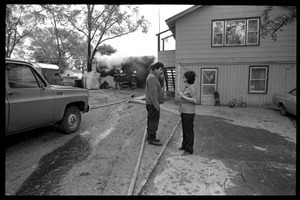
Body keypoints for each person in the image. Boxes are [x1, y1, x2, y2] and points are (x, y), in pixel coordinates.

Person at [145, 62, 165, 146]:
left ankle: (150, 136)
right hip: (152, 104)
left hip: (151, 103)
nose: (161, 71)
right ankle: (152, 139)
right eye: (160, 69)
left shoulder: (154, 77)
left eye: (162, 70)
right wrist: (156, 105)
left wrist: (161, 77)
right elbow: (152, 93)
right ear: (155, 69)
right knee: (154, 121)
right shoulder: (152, 78)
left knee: (151, 120)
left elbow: (161, 86)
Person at [178, 70, 197, 156]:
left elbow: (195, 100)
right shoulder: (187, 87)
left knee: (188, 131)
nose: (183, 78)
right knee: (185, 130)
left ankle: (189, 149)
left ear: (188, 78)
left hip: (189, 113)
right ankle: (184, 145)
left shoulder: (192, 88)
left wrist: (183, 96)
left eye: (184, 77)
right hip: (184, 111)